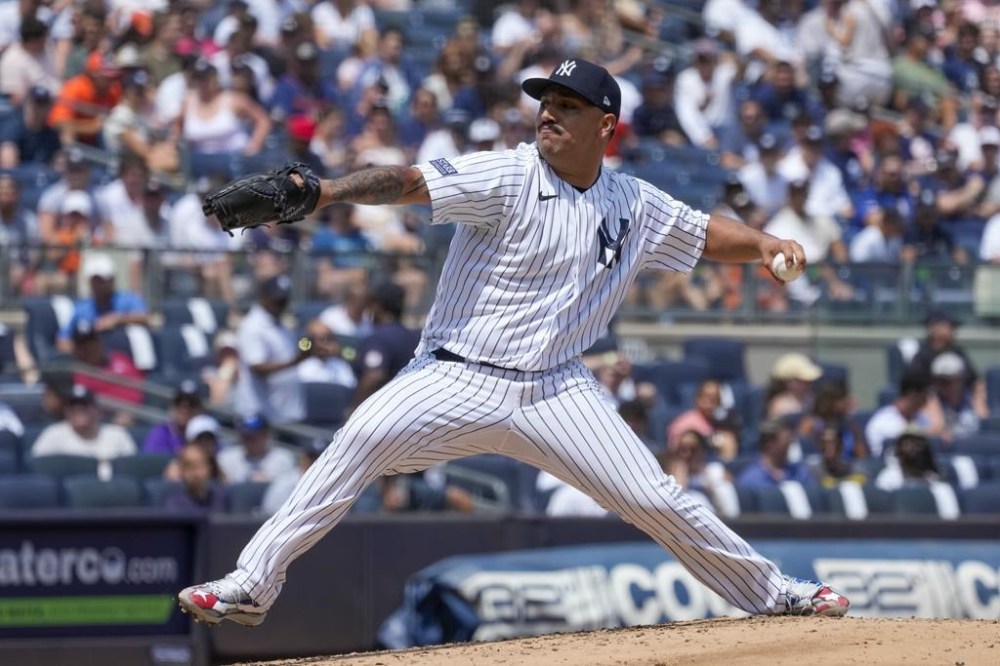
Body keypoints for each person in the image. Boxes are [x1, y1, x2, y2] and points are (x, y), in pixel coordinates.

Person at [179, 57, 850, 626]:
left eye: (567, 104)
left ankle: (775, 596)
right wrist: (325, 192)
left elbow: (703, 234)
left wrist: (762, 242)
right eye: (545, 102)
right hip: (454, 377)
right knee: (358, 440)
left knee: (655, 498)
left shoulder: (634, 204)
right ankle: (252, 585)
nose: (548, 113)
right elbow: (410, 181)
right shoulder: (507, 174)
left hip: (556, 389)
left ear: (606, 126)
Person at [233, 274, 309, 424]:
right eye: (277, 300)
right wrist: (295, 361)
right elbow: (257, 367)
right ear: (264, 297)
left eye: (284, 300)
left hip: (286, 412)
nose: (281, 304)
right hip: (261, 414)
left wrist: (307, 348)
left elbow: (294, 352)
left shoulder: (282, 324)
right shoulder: (253, 325)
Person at [31, 384, 137, 481]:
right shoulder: (52, 434)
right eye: (73, 406)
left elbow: (132, 470)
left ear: (97, 410)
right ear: (66, 411)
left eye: (84, 405)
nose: (78, 409)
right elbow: (38, 470)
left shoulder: (118, 434)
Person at [347, 281, 420, 410]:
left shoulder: (378, 338)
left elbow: (373, 375)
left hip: (382, 412)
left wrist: (354, 410)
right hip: (411, 409)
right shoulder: (415, 337)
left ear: (378, 306)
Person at [57, 253, 150, 352]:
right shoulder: (81, 309)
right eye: (96, 280)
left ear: (112, 280)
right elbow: (63, 339)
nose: (99, 285)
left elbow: (145, 318)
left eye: (103, 280)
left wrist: (117, 320)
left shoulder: (128, 300)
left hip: (125, 359)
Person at [865, 370, 932, 457]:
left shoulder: (923, 419)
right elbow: (878, 457)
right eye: (924, 396)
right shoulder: (881, 422)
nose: (926, 401)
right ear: (913, 395)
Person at [217, 413, 297, 484]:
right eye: (246, 436)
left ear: (266, 434)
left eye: (255, 436)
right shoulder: (226, 457)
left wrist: (268, 483)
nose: (250, 440)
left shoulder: (282, 459)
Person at [736, 420, 816, 490]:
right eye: (786, 443)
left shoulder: (800, 473)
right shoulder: (751, 480)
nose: (789, 446)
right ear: (769, 444)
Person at [163, 441, 228, 514]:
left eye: (199, 465)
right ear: (181, 470)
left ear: (209, 468)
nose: (195, 473)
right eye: (189, 466)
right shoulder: (174, 503)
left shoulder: (221, 499)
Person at [143, 380, 204, 456]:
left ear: (200, 409)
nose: (184, 409)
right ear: (172, 407)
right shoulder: (161, 434)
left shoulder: (205, 436)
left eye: (191, 404)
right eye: (179, 403)